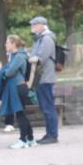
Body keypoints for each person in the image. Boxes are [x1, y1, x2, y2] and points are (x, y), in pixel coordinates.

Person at [0, 35, 34, 149]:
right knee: (21, 113)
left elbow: (9, 72)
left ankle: (23, 140)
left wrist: (4, 72)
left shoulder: (19, 57)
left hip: (18, 87)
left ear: (13, 44)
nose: (5, 44)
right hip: (17, 86)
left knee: (20, 113)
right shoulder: (14, 56)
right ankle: (30, 138)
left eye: (7, 42)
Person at [29, 16, 59, 145]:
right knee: (45, 106)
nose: (32, 28)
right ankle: (50, 133)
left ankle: (52, 135)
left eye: (34, 25)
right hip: (41, 77)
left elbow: (42, 57)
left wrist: (33, 58)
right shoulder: (41, 38)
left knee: (48, 107)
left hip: (45, 77)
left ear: (41, 25)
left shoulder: (46, 38)